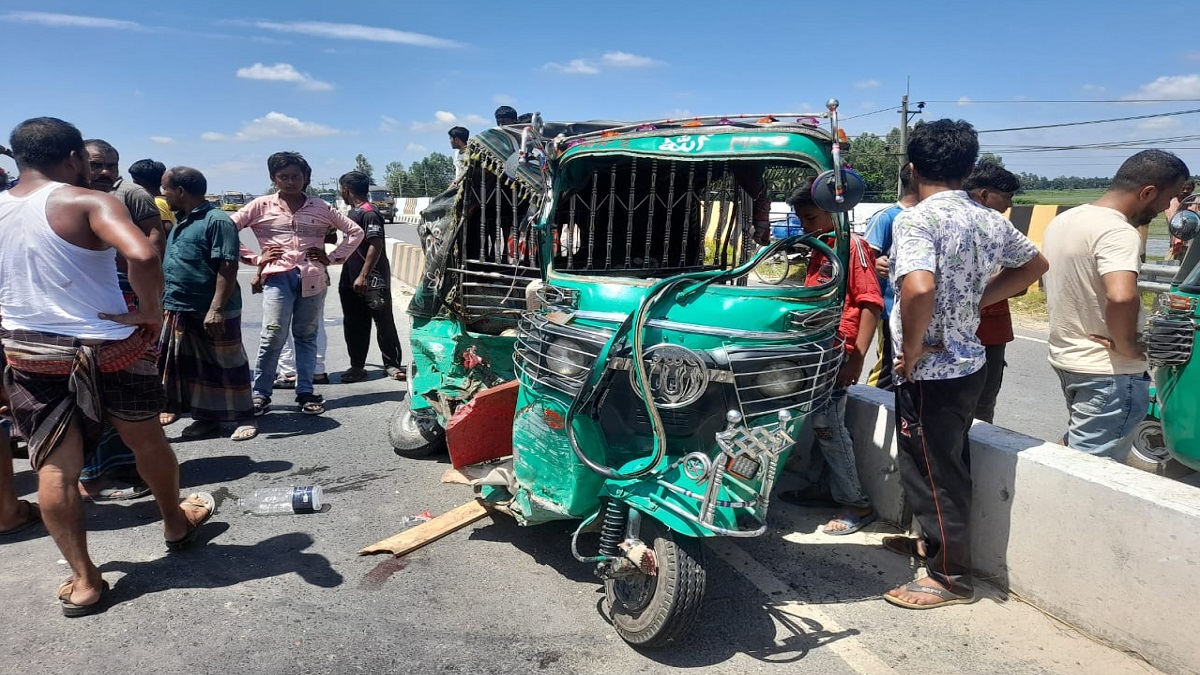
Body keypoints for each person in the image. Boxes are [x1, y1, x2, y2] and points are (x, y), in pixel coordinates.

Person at [0, 117, 215, 616]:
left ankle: (84, 581)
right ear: (74, 156)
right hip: (108, 349)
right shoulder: (89, 201)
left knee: (54, 466)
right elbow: (141, 253)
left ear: (17, 157)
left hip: (33, 355)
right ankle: (174, 523)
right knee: (146, 440)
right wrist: (149, 311)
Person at [883, 119, 1047, 610]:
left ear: (912, 168)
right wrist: (976, 300)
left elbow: (918, 287)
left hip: (932, 370)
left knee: (933, 472)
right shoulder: (989, 218)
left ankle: (950, 576)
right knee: (943, 465)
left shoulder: (917, 219)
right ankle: (931, 546)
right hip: (968, 364)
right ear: (970, 168)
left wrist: (911, 348)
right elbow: (1035, 265)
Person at [1042, 150, 1189, 459]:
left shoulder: (1065, 220)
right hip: (1109, 371)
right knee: (1090, 474)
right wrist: (1127, 347)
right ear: (1148, 192)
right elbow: (1121, 295)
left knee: (1075, 451)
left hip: (1069, 357)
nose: (1167, 208)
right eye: (1170, 198)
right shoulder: (1118, 231)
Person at [777, 178, 883, 535]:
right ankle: (824, 487)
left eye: (809, 218)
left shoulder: (852, 248)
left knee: (829, 426)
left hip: (839, 351)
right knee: (821, 423)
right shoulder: (824, 248)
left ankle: (857, 502)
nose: (805, 226)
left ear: (831, 211)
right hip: (819, 349)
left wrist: (857, 357)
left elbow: (870, 303)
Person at [233, 152, 363, 417]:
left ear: (305, 178)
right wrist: (256, 259)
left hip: (312, 279)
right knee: (272, 336)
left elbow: (356, 232)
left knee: (306, 336)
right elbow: (224, 229)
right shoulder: (260, 206)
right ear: (273, 178)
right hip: (277, 278)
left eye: (296, 176)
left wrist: (332, 257)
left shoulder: (320, 207)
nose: (290, 182)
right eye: (284, 177)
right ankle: (260, 393)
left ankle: (305, 391)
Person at [157, 166, 257, 441]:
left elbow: (227, 267)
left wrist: (216, 308)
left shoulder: (217, 221)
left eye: (166, 189)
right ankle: (207, 420)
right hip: (181, 305)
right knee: (196, 369)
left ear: (179, 191)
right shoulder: (182, 220)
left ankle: (245, 416)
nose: (163, 194)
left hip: (213, 308)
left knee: (227, 363)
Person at [962, 161, 1021, 423]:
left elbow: (1024, 279)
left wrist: (979, 292)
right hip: (953, 331)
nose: (1009, 205)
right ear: (983, 195)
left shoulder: (1005, 233)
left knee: (984, 404)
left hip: (991, 333)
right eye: (1005, 197)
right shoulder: (950, 225)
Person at [334, 171, 405, 383]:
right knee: (354, 324)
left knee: (384, 323)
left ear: (346, 190)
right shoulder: (351, 214)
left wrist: (364, 275)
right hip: (349, 278)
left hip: (372, 280)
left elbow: (376, 244)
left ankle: (392, 364)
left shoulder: (368, 213)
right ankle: (357, 366)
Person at [864, 165, 919, 392]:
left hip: (918, 309)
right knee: (887, 365)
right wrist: (874, 263)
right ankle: (871, 401)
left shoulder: (931, 217)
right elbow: (863, 257)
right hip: (889, 310)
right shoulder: (887, 217)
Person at [128, 158, 176, 234]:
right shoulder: (164, 200)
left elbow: (166, 230)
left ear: (137, 183)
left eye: (134, 180)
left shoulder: (155, 203)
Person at [1165, 178, 1196, 260]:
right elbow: (1174, 221)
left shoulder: (1196, 202)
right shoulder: (1171, 202)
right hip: (1176, 242)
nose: (1185, 191)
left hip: (1194, 243)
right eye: (1183, 188)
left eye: (1188, 189)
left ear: (1192, 189)